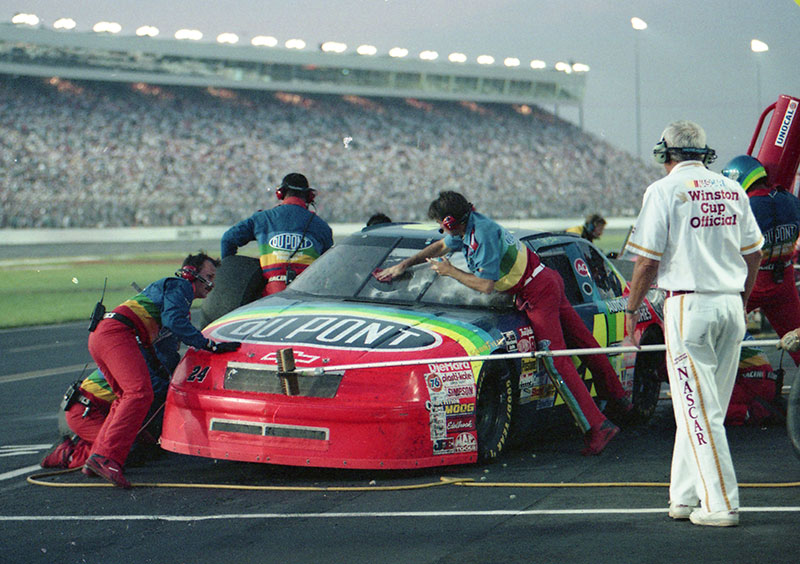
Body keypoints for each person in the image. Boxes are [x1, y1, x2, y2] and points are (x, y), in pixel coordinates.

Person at [376, 191, 621, 456]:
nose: (440, 229)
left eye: (441, 224)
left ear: (450, 221)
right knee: (584, 343)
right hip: (544, 281)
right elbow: (442, 246)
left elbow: (485, 285)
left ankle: (598, 427)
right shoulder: (470, 225)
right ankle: (619, 400)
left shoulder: (482, 236)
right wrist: (404, 264)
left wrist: (451, 272)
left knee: (555, 361)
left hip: (537, 292)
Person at [623, 121, 763, 527]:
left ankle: (721, 504)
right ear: (705, 153)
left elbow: (647, 262)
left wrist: (632, 311)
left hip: (689, 307)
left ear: (665, 153)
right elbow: (753, 252)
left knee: (700, 412)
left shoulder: (663, 190)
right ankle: (684, 497)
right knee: (701, 407)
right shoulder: (732, 189)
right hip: (729, 305)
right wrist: (742, 298)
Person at [81, 252, 241, 488]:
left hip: (103, 334)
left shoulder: (172, 291)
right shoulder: (181, 286)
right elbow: (175, 322)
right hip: (117, 333)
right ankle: (107, 458)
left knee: (126, 397)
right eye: (208, 276)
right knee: (139, 393)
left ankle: (98, 456)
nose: (212, 283)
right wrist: (209, 345)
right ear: (191, 273)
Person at [41, 332, 179, 470]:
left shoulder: (151, 357)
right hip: (85, 412)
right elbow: (155, 388)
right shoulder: (135, 357)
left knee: (149, 449)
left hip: (103, 410)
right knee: (120, 454)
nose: (177, 346)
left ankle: (87, 441)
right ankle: (67, 454)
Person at [722, 155, 800, 365]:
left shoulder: (743, 207)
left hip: (750, 281)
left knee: (720, 337)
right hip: (784, 281)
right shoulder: (791, 201)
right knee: (798, 344)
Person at [220, 172, 334, 296]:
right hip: (309, 292)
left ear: (280, 193)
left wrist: (227, 277)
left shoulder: (263, 218)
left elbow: (227, 240)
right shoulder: (321, 226)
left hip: (272, 293)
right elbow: (329, 264)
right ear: (309, 196)